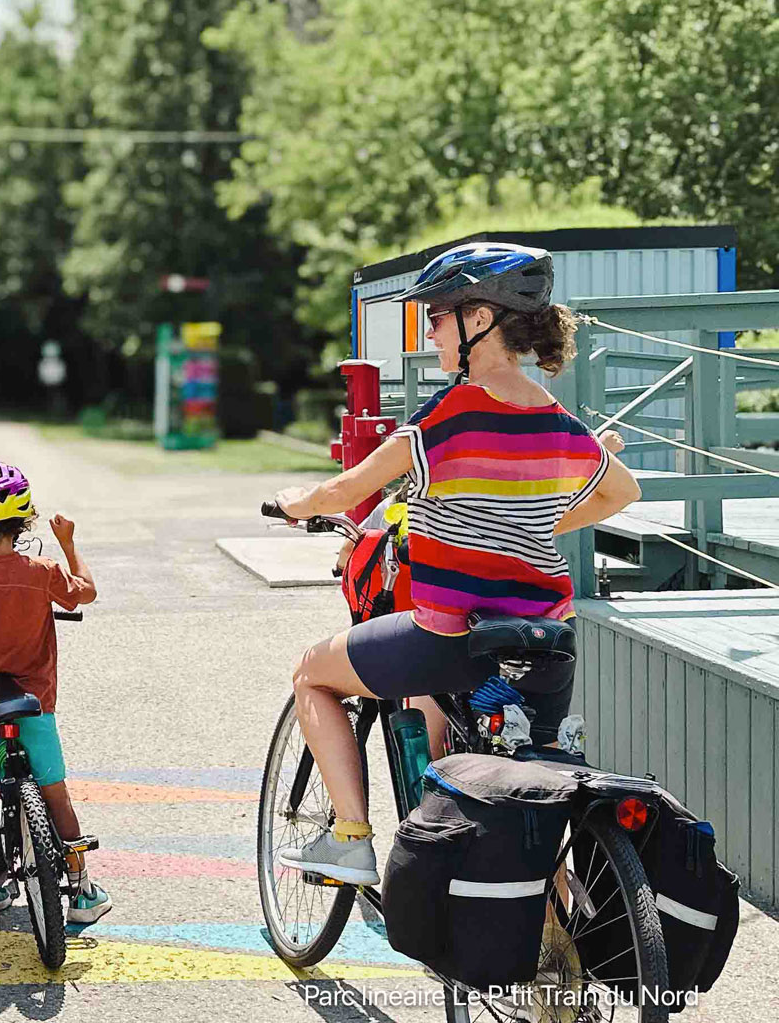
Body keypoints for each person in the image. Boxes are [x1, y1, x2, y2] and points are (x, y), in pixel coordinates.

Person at [273, 242, 642, 886]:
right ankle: (552, 939)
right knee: (533, 783)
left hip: (449, 637)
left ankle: (352, 839)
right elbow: (622, 493)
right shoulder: (561, 424)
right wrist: (535, 521)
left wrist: (295, 502)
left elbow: (344, 491)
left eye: (437, 318)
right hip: (548, 642)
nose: (432, 331)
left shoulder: (447, 415)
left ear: (479, 321)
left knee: (311, 673)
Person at [0, 461, 111, 926]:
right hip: (36, 704)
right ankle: (82, 890)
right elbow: (86, 592)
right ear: (25, 519)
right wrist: (69, 543)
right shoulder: (42, 571)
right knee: (57, 797)